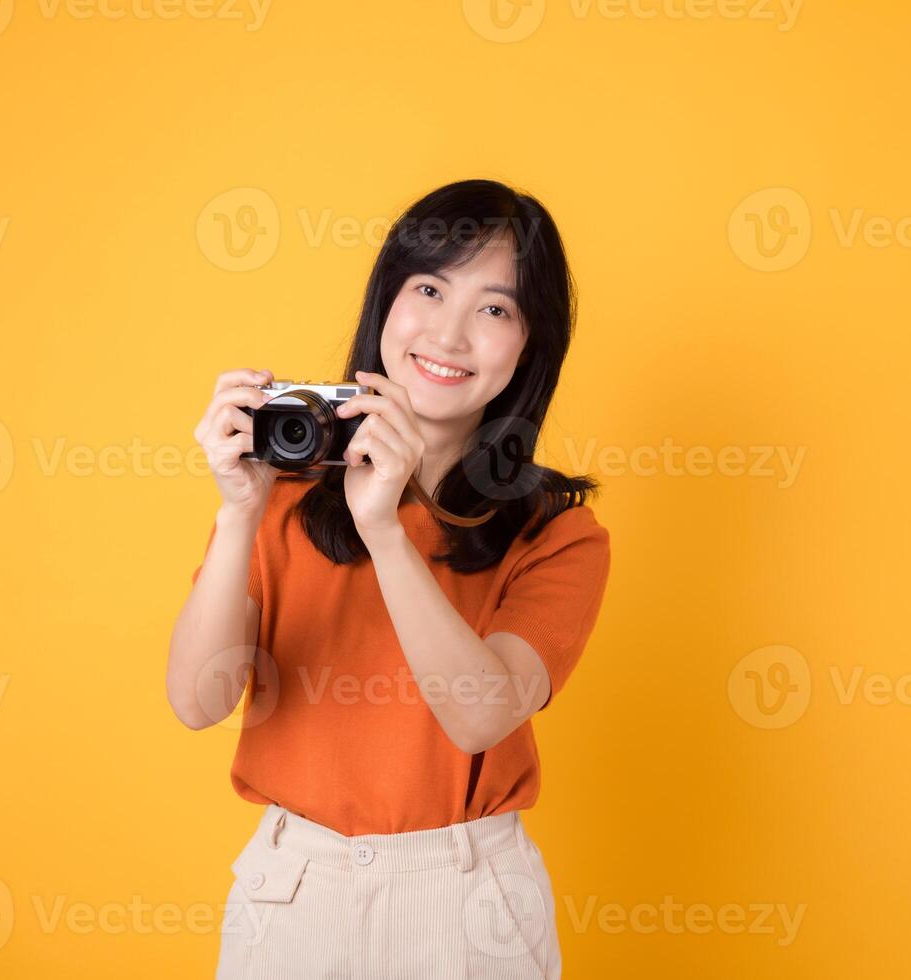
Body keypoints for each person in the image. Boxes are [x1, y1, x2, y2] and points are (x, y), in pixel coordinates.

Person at [167, 178, 612, 980]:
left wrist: (385, 527)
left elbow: (479, 718)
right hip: (293, 894)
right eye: (430, 288)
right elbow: (196, 701)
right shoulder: (281, 498)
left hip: (467, 898)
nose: (449, 333)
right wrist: (238, 513)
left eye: (494, 308)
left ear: (528, 345)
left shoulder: (557, 534)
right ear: (387, 304)